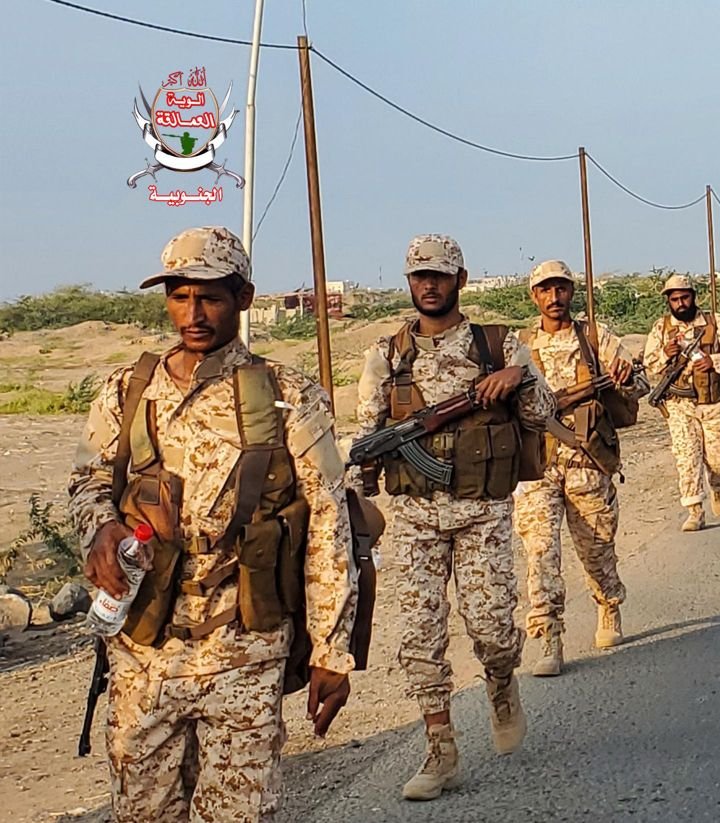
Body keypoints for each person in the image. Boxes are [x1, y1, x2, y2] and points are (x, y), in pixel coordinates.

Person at [68, 226, 358, 822]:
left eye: (210, 297)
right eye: (180, 296)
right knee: (141, 812)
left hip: (244, 642)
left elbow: (329, 523)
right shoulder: (128, 391)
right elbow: (88, 480)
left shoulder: (287, 395)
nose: (193, 314)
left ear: (243, 298)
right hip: (144, 643)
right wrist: (100, 529)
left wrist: (331, 650)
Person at [352, 234, 555, 802]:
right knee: (419, 636)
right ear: (409, 282)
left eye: (439, 275)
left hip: (483, 513)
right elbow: (366, 435)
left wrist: (518, 378)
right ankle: (440, 747)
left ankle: (501, 682)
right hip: (414, 518)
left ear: (460, 280)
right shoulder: (387, 355)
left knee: (493, 630)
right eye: (420, 275)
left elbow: (543, 413)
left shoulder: (497, 345)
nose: (429, 284)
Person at [513, 260, 631, 677]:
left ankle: (608, 603)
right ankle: (548, 633)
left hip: (587, 463)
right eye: (545, 290)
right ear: (534, 296)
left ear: (571, 292)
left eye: (561, 288)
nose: (554, 297)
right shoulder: (519, 346)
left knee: (597, 551)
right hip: (537, 466)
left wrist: (624, 378)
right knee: (540, 552)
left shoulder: (596, 337)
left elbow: (636, 385)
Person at [644, 275, 720, 531]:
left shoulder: (715, 322)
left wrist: (714, 361)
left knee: (719, 460)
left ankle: (718, 486)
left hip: (713, 402)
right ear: (668, 301)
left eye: (684, 297)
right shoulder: (661, 328)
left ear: (693, 296)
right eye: (675, 299)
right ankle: (695, 510)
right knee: (687, 458)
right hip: (679, 404)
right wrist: (665, 355)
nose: (680, 303)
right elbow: (649, 366)